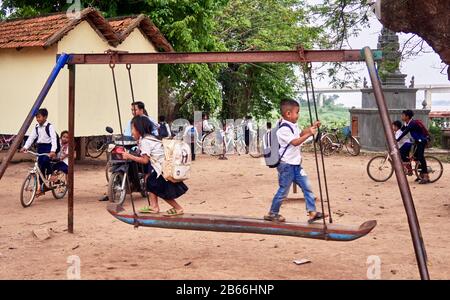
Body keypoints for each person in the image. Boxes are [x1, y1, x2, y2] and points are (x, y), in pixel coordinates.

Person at [264, 99, 325, 223]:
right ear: (288, 114)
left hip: (296, 165)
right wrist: (309, 135)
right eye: (297, 112)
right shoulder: (283, 130)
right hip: (286, 165)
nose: (298, 115)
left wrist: (311, 128)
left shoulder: (293, 125)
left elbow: (300, 134)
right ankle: (272, 213)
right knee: (283, 191)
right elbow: (295, 142)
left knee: (307, 187)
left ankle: (312, 212)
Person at [122, 116, 188, 216]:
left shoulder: (145, 141)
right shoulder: (150, 137)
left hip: (162, 169)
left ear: (139, 128)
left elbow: (145, 160)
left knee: (161, 189)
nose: (131, 132)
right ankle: (154, 206)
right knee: (150, 182)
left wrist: (129, 156)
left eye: (132, 129)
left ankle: (178, 208)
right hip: (163, 167)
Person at [20, 108, 58, 177]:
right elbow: (31, 137)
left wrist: (53, 151)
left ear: (45, 117)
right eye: (36, 117)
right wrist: (25, 147)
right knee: (40, 167)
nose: (37, 119)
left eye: (39, 117)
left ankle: (52, 173)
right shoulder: (36, 127)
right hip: (40, 147)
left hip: (48, 147)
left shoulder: (49, 127)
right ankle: (42, 185)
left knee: (45, 161)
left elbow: (53, 139)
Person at [396, 110, 430, 184]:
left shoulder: (412, 123)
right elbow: (401, 130)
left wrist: (397, 140)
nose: (402, 116)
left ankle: (426, 176)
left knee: (421, 157)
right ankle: (420, 174)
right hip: (417, 141)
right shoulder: (407, 123)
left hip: (422, 141)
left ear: (407, 116)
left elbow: (405, 132)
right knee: (415, 157)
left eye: (403, 115)